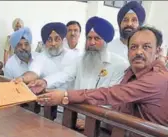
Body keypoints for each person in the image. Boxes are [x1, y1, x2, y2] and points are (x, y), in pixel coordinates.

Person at [37, 26, 168, 130]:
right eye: (134, 47)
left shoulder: (157, 78)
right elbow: (120, 107)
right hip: (104, 125)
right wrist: (44, 82)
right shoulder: (130, 72)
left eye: (146, 47)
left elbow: (111, 94)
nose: (139, 52)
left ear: (157, 51)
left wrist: (65, 96)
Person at [29, 16, 129, 130]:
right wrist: (44, 82)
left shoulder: (120, 65)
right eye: (89, 38)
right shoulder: (80, 59)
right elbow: (65, 74)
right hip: (74, 117)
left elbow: (111, 98)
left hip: (101, 124)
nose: (91, 42)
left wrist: (92, 121)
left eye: (97, 39)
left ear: (105, 41)